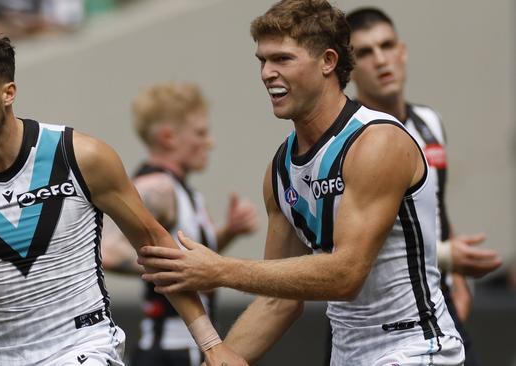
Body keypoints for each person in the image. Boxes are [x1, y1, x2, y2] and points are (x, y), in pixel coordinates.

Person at [0, 33, 246, 366]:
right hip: (1, 358)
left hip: (83, 348)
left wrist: (212, 345)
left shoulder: (79, 155)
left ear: (8, 92)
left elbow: (153, 244)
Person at [138, 0, 465, 364]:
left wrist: (221, 270)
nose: (266, 73)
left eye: (282, 59)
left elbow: (345, 274)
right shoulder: (280, 169)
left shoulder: (377, 142)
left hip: (415, 349)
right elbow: (279, 301)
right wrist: (221, 356)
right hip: (348, 355)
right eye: (262, 60)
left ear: (327, 61)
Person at [342, 7, 504, 366]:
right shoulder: (348, 141)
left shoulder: (429, 122)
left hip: (435, 301)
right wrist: (448, 256)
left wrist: (457, 276)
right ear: (349, 69)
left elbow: (434, 209)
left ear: (403, 52)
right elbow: (352, 248)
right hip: (369, 318)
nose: (381, 60)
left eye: (387, 46)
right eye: (365, 52)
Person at [101, 82, 258, 366]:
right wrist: (178, 270)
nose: (210, 142)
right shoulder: (157, 187)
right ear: (168, 137)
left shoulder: (185, 192)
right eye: (200, 133)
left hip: (189, 347)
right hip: (168, 352)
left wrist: (228, 232)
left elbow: (185, 259)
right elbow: (108, 252)